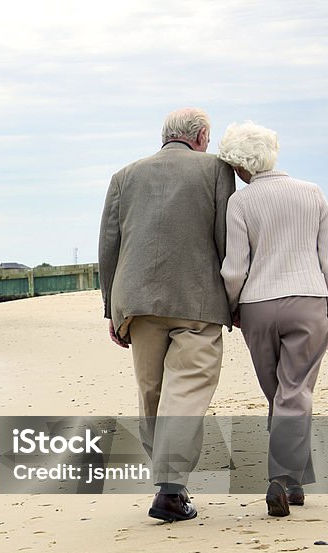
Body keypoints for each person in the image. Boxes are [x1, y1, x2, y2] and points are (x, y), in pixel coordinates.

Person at [99, 108, 236, 522]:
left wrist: (111, 307)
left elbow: (109, 244)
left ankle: (167, 482)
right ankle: (171, 490)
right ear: (201, 136)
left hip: (136, 302)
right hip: (197, 299)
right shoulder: (215, 170)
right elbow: (225, 236)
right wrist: (234, 298)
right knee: (187, 388)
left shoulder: (124, 175)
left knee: (152, 392)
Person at [217, 121, 328, 517]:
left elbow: (234, 268)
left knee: (280, 394)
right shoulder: (312, 193)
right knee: (295, 393)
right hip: (309, 301)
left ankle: (292, 482)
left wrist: (233, 306)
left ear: (240, 167)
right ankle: (282, 478)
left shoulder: (240, 203)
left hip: (257, 306)